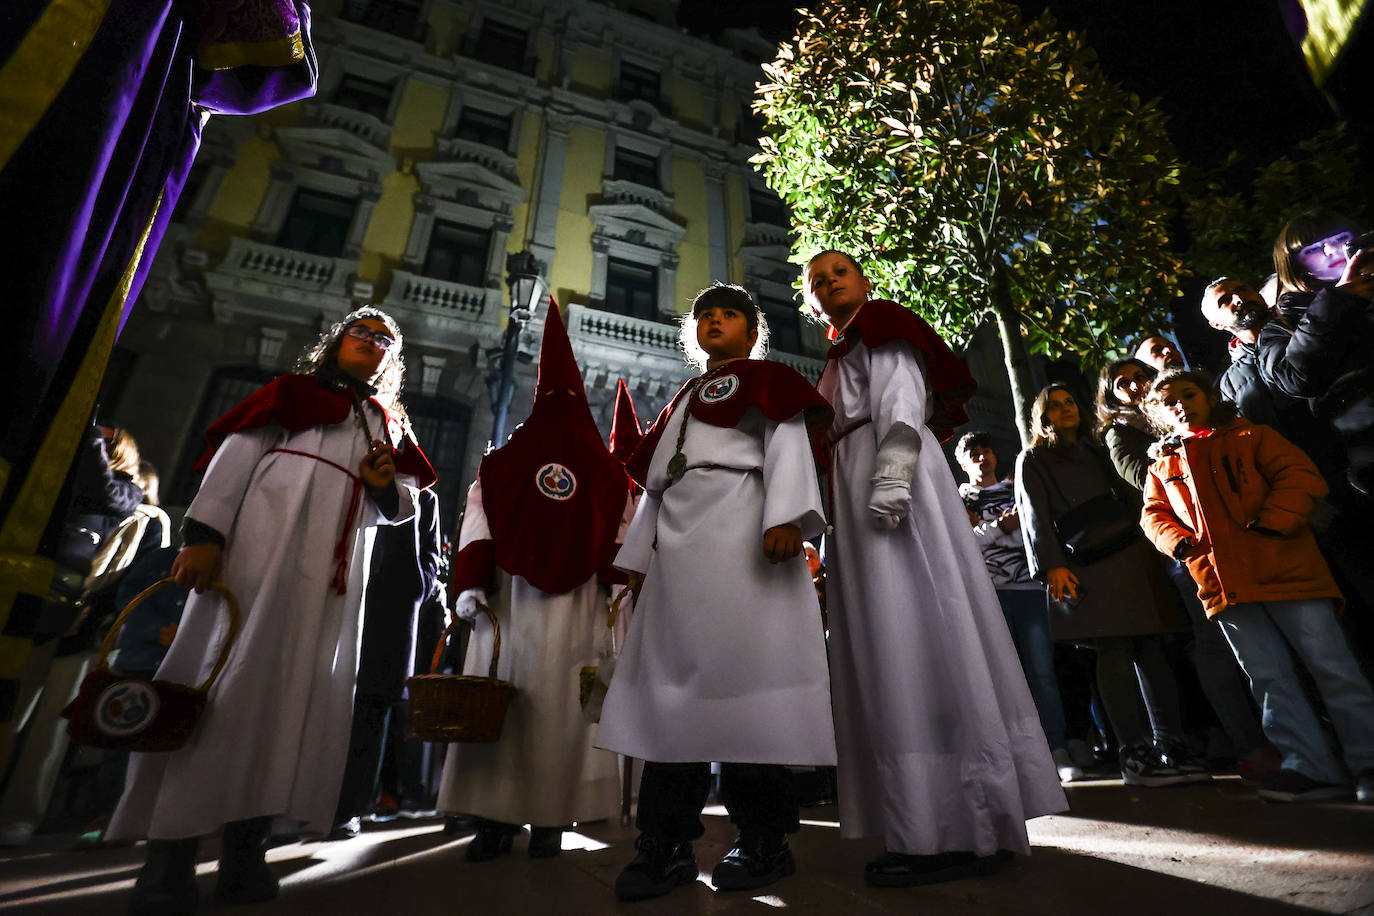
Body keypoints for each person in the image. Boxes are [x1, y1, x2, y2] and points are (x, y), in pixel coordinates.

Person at [106, 308, 435, 915]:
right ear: (338, 342)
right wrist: (204, 534)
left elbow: (405, 506)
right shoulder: (294, 395)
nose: (373, 345)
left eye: (385, 341)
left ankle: (245, 854)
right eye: (362, 334)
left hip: (331, 587)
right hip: (258, 558)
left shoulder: (386, 423)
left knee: (294, 698)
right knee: (220, 684)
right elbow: (235, 455)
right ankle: (169, 861)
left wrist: (386, 486)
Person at [807, 250, 1065, 888]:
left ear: (863, 282)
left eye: (839, 271)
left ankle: (950, 827)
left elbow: (901, 406)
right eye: (817, 280)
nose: (829, 281)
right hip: (854, 483)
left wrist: (892, 484)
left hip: (888, 486)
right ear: (811, 304)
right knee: (890, 642)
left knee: (918, 628)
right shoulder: (840, 357)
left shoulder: (885, 324)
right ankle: (935, 821)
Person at [598, 284, 835, 901]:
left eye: (727, 314)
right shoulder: (683, 397)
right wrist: (640, 555)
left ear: (753, 331)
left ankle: (763, 841)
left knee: (748, 693)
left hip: (744, 540)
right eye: (704, 315)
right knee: (672, 701)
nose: (713, 322)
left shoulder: (768, 380)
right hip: (680, 560)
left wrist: (785, 517)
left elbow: (786, 443)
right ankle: (665, 844)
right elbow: (659, 481)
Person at [437, 301, 624, 864]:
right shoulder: (504, 465)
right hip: (510, 608)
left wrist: (616, 591)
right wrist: (470, 584)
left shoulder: (603, 472)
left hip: (572, 610)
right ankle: (494, 821)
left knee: (562, 714)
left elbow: (621, 531)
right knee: (508, 709)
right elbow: (479, 520)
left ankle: (551, 820)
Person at [1140, 369, 1374, 804]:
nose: (1180, 404)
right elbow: (1153, 516)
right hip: (1225, 586)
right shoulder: (1162, 466)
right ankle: (1311, 767)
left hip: (1288, 571)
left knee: (1332, 667)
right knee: (1268, 678)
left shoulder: (1253, 437)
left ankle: (1368, 762)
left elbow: (1301, 477)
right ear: (1158, 415)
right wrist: (1183, 545)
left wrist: (1272, 525)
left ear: (1209, 397)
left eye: (1188, 394)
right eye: (1168, 401)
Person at [1016, 382, 1205, 787]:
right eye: (1055, 405)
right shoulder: (1034, 458)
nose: (1065, 409)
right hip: (1085, 563)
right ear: (1041, 415)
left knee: (1152, 649)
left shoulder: (1096, 449)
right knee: (1114, 652)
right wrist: (1051, 566)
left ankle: (1171, 746)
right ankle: (1133, 754)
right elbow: (1034, 514)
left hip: (1132, 555)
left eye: (1070, 401)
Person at [1094, 359, 1270, 777]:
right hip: (1183, 547)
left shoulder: (1176, 412)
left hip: (1229, 537)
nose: (1135, 385)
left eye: (1140, 376)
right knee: (1215, 640)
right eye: (1124, 383)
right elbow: (1140, 477)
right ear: (1111, 396)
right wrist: (1169, 449)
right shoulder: (1121, 433)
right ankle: (1249, 743)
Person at [955, 432, 1075, 783]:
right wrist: (1001, 527)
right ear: (962, 464)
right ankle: (1011, 752)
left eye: (986, 449)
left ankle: (1057, 747)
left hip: (1030, 589)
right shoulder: (957, 498)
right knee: (1000, 674)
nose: (981, 457)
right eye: (973, 453)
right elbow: (965, 543)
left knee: (1042, 671)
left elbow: (1032, 529)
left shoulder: (1016, 488)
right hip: (989, 594)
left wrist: (987, 530)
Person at [331, 486, 444, 839]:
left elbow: (429, 567)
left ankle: (350, 807)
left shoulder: (424, 498)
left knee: (371, 709)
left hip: (389, 619)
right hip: (339, 607)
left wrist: (412, 581)